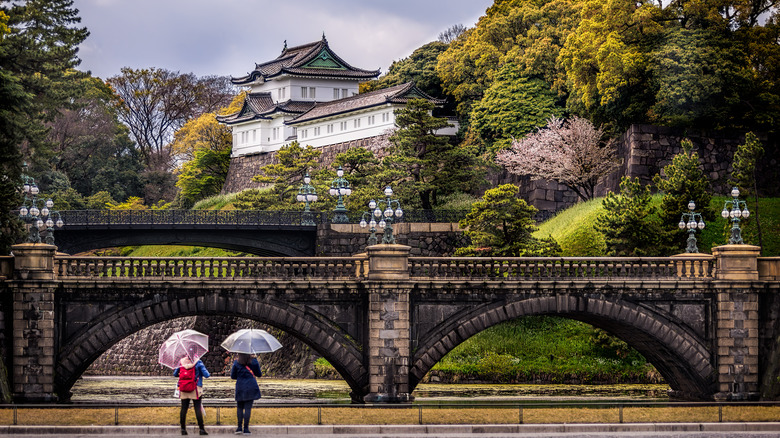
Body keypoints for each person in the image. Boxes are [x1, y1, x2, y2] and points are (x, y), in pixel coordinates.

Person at [174, 356, 210, 436]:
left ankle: (183, 429)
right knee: (197, 409)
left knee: (183, 409)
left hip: (184, 388)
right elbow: (207, 375)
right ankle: (201, 429)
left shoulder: (181, 362)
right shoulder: (198, 362)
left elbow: (175, 374)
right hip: (196, 388)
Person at [230, 352, 262, 435]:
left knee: (240, 407)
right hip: (250, 386)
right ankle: (246, 429)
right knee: (248, 408)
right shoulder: (254, 361)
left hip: (240, 386)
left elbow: (233, 376)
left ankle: (239, 428)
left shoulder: (237, 362)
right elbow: (259, 374)